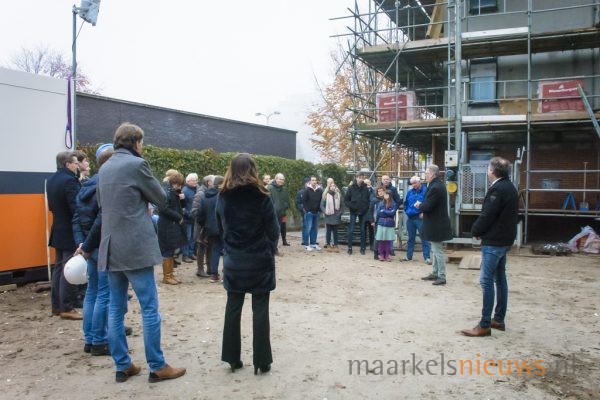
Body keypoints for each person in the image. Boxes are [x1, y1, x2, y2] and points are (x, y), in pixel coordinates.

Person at [98, 122, 185, 383]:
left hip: (110, 246)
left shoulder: (104, 167)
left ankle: (122, 365)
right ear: (136, 142)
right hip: (134, 247)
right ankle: (157, 365)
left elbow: (103, 204)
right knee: (149, 308)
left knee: (115, 308)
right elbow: (161, 198)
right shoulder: (137, 165)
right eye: (142, 142)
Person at [216, 153, 279, 375]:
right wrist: (268, 247)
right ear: (253, 169)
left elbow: (220, 226)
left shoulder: (223, 196)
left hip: (234, 259)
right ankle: (262, 360)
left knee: (233, 307)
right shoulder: (262, 196)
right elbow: (273, 230)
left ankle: (231, 357)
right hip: (259, 260)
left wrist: (230, 246)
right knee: (260, 308)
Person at [461, 157, 518, 337]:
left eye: (488, 168)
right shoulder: (510, 187)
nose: (487, 171)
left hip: (494, 241)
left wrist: (476, 230)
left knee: (486, 281)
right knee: (500, 279)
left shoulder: (498, 189)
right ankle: (498, 319)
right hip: (503, 240)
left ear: (493, 171)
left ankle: (485, 324)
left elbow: (488, 214)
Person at [72, 144, 114, 356]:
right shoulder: (105, 186)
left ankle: (89, 339)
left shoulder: (84, 186)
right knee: (104, 294)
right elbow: (101, 220)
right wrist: (88, 246)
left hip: (88, 247)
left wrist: (81, 244)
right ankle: (99, 340)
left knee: (92, 292)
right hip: (101, 246)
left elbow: (76, 219)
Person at [47, 150, 82, 320]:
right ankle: (66, 307)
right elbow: (76, 207)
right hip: (69, 230)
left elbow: (51, 207)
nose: (77, 166)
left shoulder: (52, 179)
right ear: (67, 164)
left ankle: (56, 305)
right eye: (75, 163)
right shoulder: (69, 181)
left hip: (58, 228)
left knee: (58, 269)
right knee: (68, 269)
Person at [415, 165, 452, 286]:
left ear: (432, 174)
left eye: (426, 173)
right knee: (435, 249)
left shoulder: (435, 187)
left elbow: (428, 206)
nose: (425, 175)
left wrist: (419, 205)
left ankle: (441, 276)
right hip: (436, 222)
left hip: (436, 224)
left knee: (437, 251)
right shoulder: (437, 185)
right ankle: (435, 273)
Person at [157, 170, 187, 285]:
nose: (180, 187)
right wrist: (178, 217)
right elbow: (163, 209)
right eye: (179, 185)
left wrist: (181, 198)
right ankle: (167, 276)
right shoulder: (166, 192)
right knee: (167, 250)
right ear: (174, 183)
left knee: (170, 249)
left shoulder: (171, 191)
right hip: (167, 225)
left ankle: (170, 274)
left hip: (171, 225)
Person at [198, 175, 224, 282]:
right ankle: (225, 275)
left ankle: (214, 274)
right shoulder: (223, 196)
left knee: (215, 250)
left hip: (210, 228)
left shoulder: (205, 196)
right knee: (226, 250)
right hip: (223, 227)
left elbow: (200, 214)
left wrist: (204, 225)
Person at [402, 176, 431, 264]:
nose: (413, 185)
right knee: (410, 238)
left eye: (415, 183)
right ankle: (408, 256)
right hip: (410, 218)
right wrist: (407, 211)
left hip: (420, 218)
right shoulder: (410, 192)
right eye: (412, 183)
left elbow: (429, 203)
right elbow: (406, 203)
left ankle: (427, 257)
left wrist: (424, 212)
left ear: (419, 182)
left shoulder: (426, 191)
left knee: (424, 238)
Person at [191, 175, 214, 277]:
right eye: (213, 181)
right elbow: (194, 211)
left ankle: (209, 268)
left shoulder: (210, 193)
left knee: (210, 246)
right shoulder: (200, 194)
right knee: (201, 247)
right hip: (201, 226)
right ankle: (200, 269)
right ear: (208, 182)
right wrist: (205, 218)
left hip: (209, 225)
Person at [344, 172, 370, 255]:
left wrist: (365, 207)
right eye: (359, 177)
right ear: (356, 178)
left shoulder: (365, 188)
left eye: (362, 177)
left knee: (362, 230)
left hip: (363, 212)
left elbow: (368, 200)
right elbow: (346, 200)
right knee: (351, 230)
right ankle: (350, 247)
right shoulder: (351, 188)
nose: (361, 179)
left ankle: (362, 248)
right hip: (353, 211)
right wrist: (352, 206)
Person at [268, 173, 291, 247]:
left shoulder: (284, 189)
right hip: (274, 213)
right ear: (276, 179)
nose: (282, 181)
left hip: (283, 213)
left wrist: (286, 206)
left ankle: (284, 241)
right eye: (280, 179)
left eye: (283, 179)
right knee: (275, 229)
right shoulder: (270, 188)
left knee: (283, 227)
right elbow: (268, 201)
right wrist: (273, 209)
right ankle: (274, 246)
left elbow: (287, 200)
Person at [375, 190, 398, 261]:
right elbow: (379, 213)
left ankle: (387, 255)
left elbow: (392, 213)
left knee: (388, 240)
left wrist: (384, 211)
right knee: (381, 240)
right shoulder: (380, 203)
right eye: (385, 194)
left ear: (390, 195)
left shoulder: (394, 204)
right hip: (381, 223)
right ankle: (381, 255)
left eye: (387, 194)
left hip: (389, 224)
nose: (385, 196)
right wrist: (387, 212)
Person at [320, 179, 343, 252]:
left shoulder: (338, 195)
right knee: (328, 232)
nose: (333, 187)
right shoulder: (325, 195)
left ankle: (336, 245)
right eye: (331, 186)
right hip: (328, 216)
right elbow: (321, 205)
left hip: (336, 216)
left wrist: (339, 213)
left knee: (335, 232)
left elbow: (342, 206)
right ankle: (328, 245)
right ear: (329, 187)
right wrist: (325, 212)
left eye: (334, 186)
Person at [302, 176, 323, 251]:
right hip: (309, 213)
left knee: (315, 229)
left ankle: (313, 244)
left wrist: (320, 210)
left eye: (315, 180)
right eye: (312, 180)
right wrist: (307, 210)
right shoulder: (307, 190)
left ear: (316, 181)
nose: (314, 181)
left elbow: (321, 201)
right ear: (310, 182)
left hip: (317, 213)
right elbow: (303, 201)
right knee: (308, 229)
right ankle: (306, 245)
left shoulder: (320, 190)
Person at [181, 173, 199, 263]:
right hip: (187, 218)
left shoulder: (197, 189)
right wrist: (188, 214)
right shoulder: (184, 191)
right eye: (193, 180)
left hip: (195, 218)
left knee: (193, 237)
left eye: (196, 180)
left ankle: (191, 253)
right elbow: (182, 206)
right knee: (187, 237)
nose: (195, 182)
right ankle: (185, 255)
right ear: (188, 181)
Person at [295, 177, 310, 246]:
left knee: (312, 227)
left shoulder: (313, 191)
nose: (309, 184)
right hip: (304, 213)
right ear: (305, 184)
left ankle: (313, 240)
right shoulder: (300, 192)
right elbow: (297, 203)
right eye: (308, 183)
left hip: (313, 212)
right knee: (305, 226)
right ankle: (304, 240)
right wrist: (302, 208)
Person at [363, 178, 376, 251]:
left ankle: (372, 245)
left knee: (371, 230)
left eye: (368, 183)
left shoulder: (373, 191)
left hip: (371, 213)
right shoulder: (361, 191)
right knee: (363, 230)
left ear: (370, 183)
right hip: (363, 213)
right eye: (365, 183)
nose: (367, 184)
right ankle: (363, 245)